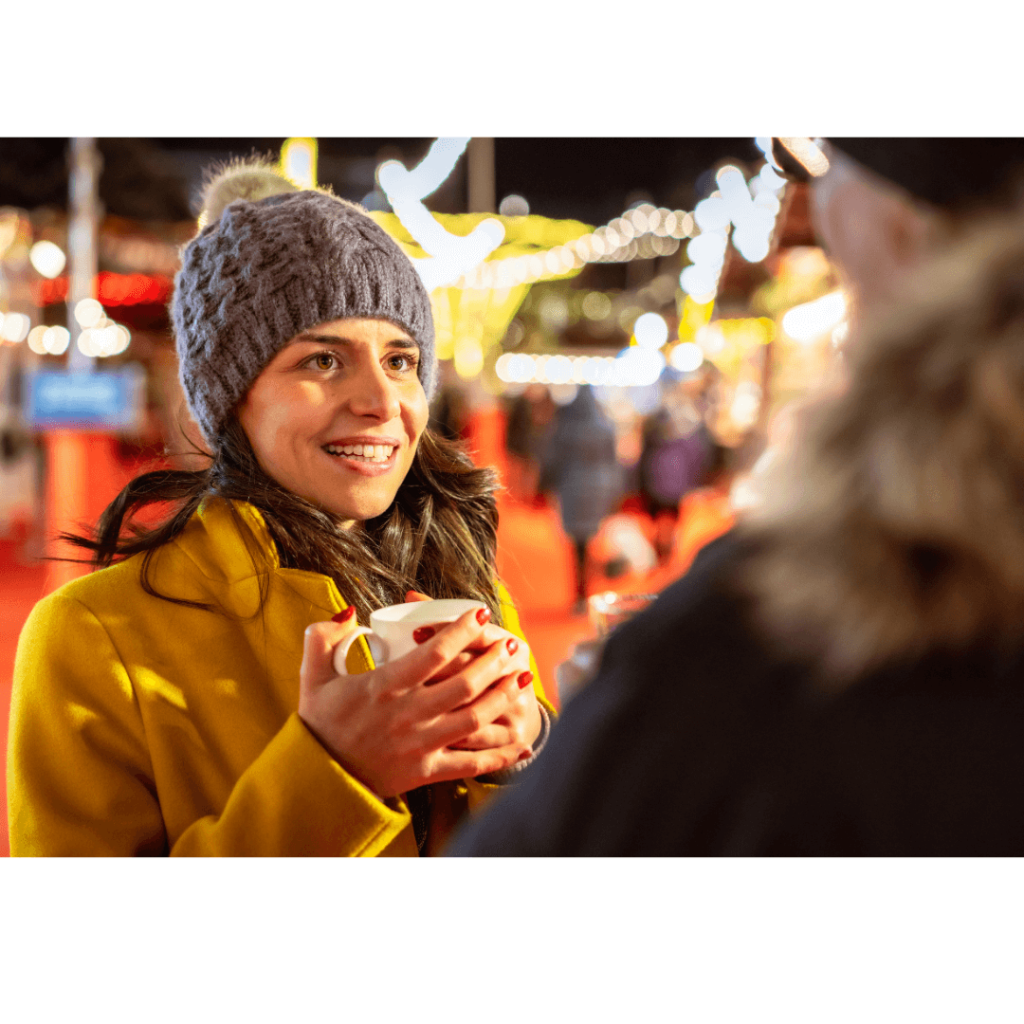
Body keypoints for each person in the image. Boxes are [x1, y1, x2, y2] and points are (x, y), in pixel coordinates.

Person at [449, 138, 1024, 856]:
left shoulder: (783, 624)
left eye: (827, 164)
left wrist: (616, 723)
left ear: (902, 222)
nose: (816, 199)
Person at [8, 159, 554, 856]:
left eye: (400, 360)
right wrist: (335, 775)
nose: (383, 403)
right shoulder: (91, 638)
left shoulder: (463, 589)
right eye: (323, 361)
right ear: (229, 397)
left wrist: (530, 742)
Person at [538, 385, 623, 614]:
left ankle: (580, 591)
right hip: (598, 489)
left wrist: (545, 486)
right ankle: (589, 587)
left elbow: (551, 458)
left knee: (577, 545)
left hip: (572, 487)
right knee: (592, 540)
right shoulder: (605, 426)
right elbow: (614, 462)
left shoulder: (565, 427)